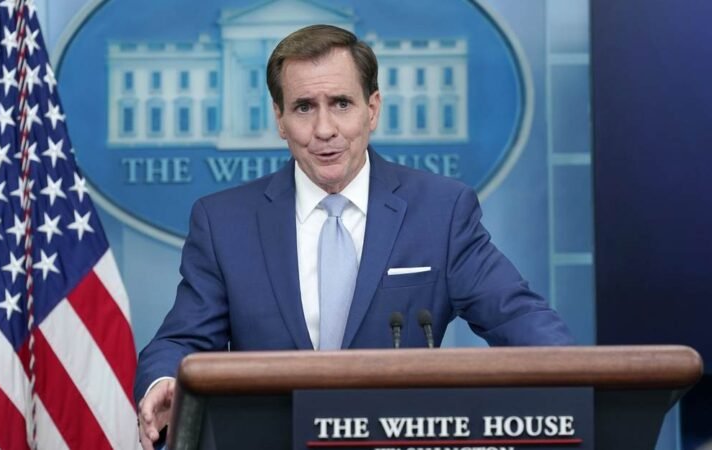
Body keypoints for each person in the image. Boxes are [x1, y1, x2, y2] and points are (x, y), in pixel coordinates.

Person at [134, 24, 573, 448]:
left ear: (372, 109)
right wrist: (165, 381)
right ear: (280, 119)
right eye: (304, 107)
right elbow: (182, 340)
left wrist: (578, 378)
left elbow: (516, 315)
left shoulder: (440, 211)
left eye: (341, 103)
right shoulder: (224, 222)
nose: (325, 129)